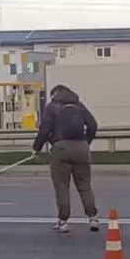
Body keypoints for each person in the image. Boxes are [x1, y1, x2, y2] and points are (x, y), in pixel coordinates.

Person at [32, 84, 100, 233]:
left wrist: (36, 148)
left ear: (55, 94)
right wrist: (85, 142)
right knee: (85, 186)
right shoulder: (79, 105)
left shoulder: (52, 107)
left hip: (61, 148)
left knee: (62, 186)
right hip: (82, 148)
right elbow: (93, 125)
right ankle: (92, 218)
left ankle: (63, 221)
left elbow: (44, 130)